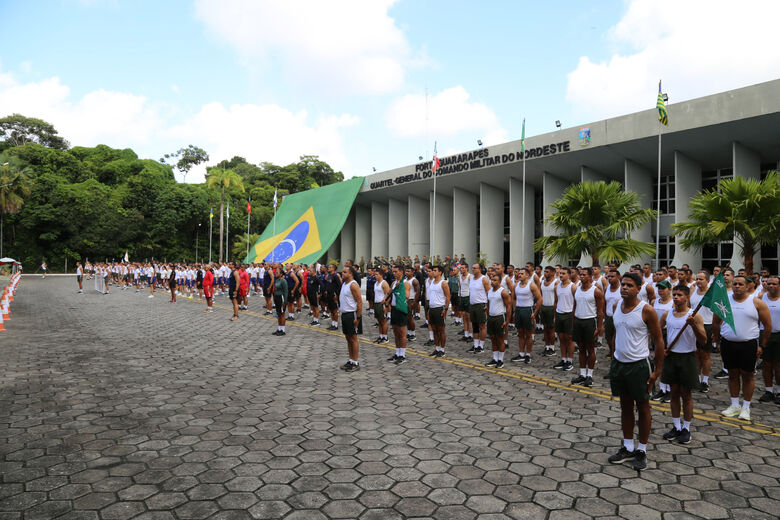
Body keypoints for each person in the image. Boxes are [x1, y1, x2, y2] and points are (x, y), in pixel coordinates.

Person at [608, 272, 665, 471]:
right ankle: (627, 446)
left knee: (643, 407)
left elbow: (658, 341)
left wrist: (657, 371)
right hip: (619, 364)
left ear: (638, 289)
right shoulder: (617, 306)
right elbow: (616, 333)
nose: (624, 288)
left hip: (639, 365)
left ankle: (641, 449)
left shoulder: (646, 310)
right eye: (623, 284)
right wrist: (613, 356)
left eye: (629, 285)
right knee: (625, 406)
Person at [715, 275, 771, 420]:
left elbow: (768, 326)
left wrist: (762, 346)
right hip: (728, 343)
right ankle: (734, 405)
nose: (737, 286)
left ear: (748, 286)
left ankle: (746, 407)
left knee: (748, 375)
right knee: (732, 374)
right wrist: (719, 342)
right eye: (735, 284)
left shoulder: (757, 303)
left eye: (740, 284)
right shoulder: (725, 301)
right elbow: (716, 322)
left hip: (748, 344)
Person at [660, 285, 706, 444]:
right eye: (674, 294)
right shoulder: (667, 314)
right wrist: (662, 349)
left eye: (679, 295)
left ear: (687, 297)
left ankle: (686, 428)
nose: (676, 297)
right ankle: (676, 426)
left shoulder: (695, 316)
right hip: (672, 357)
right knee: (673, 393)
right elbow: (658, 332)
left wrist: (693, 325)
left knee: (686, 395)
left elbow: (703, 340)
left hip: (687, 357)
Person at [571, 267, 605, 387]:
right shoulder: (577, 290)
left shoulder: (596, 291)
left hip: (590, 321)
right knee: (581, 349)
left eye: (585, 275)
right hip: (578, 321)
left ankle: (590, 375)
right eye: (581, 274)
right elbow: (574, 307)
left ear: (590, 276)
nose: (582, 276)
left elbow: (600, 311)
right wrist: (573, 322)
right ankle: (582, 374)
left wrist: (600, 327)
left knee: (590, 349)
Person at [511, 268, 542, 364]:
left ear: (527, 275)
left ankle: (528, 354)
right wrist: (515, 309)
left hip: (528, 310)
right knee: (520, 333)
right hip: (519, 310)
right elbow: (514, 298)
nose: (519, 275)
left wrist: (535, 313)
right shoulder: (516, 285)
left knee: (528, 334)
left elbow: (540, 299)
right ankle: (521, 354)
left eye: (522, 274)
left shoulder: (531, 285)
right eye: (519, 273)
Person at [690, 270, 713, 392]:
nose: (698, 281)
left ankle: (705, 380)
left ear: (708, 281)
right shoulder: (693, 291)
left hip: (707, 325)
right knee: (696, 354)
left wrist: (715, 330)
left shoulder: (712, 293)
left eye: (701, 279)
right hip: (694, 325)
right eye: (697, 279)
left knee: (705, 355)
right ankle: (697, 378)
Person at [651, 281, 674, 402]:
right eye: (659, 288)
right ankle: (662, 388)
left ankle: (670, 390)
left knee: (667, 363)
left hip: (667, 333)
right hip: (656, 333)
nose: (660, 290)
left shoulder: (673, 303)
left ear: (669, 289)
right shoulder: (654, 302)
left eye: (663, 288)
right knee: (658, 362)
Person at [759, 275, 780, 404]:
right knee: (766, 364)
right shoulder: (762, 297)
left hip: (778, 335)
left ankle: (779, 391)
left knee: (778, 365)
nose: (771, 286)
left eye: (774, 284)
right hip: (765, 334)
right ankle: (768, 391)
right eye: (769, 283)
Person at [485, 273, 512, 369]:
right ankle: (495, 359)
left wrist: (507, 321)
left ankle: (500, 360)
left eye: (495, 280)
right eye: (491, 280)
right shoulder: (489, 292)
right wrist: (487, 316)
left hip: (499, 317)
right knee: (492, 338)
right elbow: (488, 305)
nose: (492, 282)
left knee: (500, 339)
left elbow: (509, 307)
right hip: (491, 318)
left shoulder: (503, 292)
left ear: (500, 282)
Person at [339, 266, 363, 372]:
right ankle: (351, 360)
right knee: (348, 338)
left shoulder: (353, 285)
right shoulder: (344, 283)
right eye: (342, 272)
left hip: (351, 314)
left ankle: (355, 362)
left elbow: (359, 301)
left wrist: (358, 317)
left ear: (351, 274)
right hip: (345, 314)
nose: (342, 274)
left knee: (353, 339)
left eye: (345, 272)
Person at [387, 264, 411, 365]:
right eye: (393, 271)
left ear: (401, 272)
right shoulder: (393, 283)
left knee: (402, 333)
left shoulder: (405, 283)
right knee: (396, 333)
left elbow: (407, 297)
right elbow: (389, 293)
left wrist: (398, 288)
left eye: (396, 271)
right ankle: (397, 353)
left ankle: (403, 355)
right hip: (394, 309)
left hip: (401, 309)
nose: (394, 273)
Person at [553, 268, 576, 371]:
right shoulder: (557, 287)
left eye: (563, 273)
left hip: (569, 314)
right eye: (560, 273)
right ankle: (563, 359)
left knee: (569, 338)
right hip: (559, 314)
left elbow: (577, 302)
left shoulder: (573, 287)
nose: (561, 275)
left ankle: (570, 361)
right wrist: (555, 315)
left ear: (569, 275)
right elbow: (556, 301)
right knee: (561, 338)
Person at [427, 265, 451, 358]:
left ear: (440, 272)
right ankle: (437, 348)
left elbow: (448, 296)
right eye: (433, 270)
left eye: (435, 270)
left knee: (441, 330)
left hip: (439, 308)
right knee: (434, 330)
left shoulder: (443, 283)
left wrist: (445, 309)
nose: (433, 272)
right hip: (432, 308)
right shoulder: (432, 282)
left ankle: (442, 350)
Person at [468, 263, 491, 354]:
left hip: (481, 304)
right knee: (474, 326)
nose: (473, 269)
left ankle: (481, 346)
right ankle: (475, 345)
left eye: (475, 268)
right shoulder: (471, 279)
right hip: (472, 305)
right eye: (472, 268)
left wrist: (488, 305)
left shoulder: (484, 279)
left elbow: (489, 292)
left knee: (482, 325)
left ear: (480, 269)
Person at [539, 266, 558, 357]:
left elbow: (557, 298)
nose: (545, 273)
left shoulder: (556, 282)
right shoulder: (542, 282)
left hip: (551, 307)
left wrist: (555, 310)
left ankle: (552, 348)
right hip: (544, 307)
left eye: (547, 272)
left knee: (551, 329)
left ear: (553, 273)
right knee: (545, 328)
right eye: (545, 271)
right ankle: (546, 347)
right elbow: (540, 295)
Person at [374, 273, 391, 344]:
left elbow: (388, 295)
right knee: (379, 321)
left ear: (381, 275)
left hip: (382, 304)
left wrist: (386, 306)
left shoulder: (384, 283)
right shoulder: (376, 283)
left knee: (383, 321)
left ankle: (385, 337)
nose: (375, 276)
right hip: (376, 303)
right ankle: (381, 336)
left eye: (377, 274)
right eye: (375, 274)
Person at [272, 264, 288, 335]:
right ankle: (279, 329)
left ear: (281, 274)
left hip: (281, 298)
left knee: (282, 314)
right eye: (276, 272)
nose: (276, 274)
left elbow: (286, 291)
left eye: (277, 273)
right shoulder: (277, 280)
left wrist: (285, 301)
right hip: (277, 297)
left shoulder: (283, 281)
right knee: (278, 314)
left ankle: (283, 330)